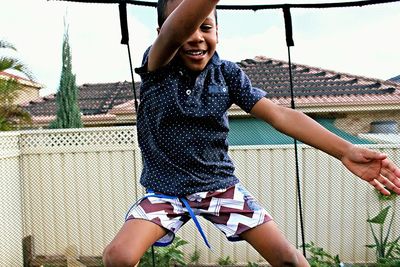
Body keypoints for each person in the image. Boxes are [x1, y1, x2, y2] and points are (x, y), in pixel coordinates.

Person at [102, 0, 400, 266]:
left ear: (218, 30)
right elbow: (176, 30)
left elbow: (280, 114)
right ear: (162, 33)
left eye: (206, 27)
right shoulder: (158, 65)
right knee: (119, 256)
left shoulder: (227, 74)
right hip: (167, 191)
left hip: (220, 187)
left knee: (288, 258)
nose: (196, 37)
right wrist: (183, 25)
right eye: (186, 28)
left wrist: (345, 150)